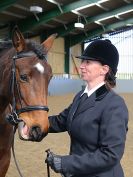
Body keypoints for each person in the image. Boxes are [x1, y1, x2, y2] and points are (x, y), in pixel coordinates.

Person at [45, 39, 128, 177]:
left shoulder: (115, 105)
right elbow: (61, 121)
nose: (81, 66)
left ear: (104, 69)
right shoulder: (80, 96)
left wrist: (65, 163)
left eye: (87, 62)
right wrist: (33, 123)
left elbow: (110, 155)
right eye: (82, 61)